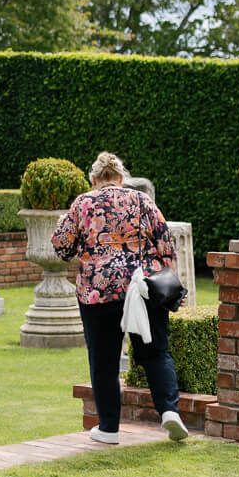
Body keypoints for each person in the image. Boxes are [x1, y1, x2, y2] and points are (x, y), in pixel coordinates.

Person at [52, 151, 188, 445]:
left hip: (98, 291)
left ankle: (109, 428)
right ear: (122, 177)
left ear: (93, 179)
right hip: (142, 287)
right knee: (155, 353)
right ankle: (169, 411)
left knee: (104, 361)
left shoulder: (83, 203)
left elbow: (61, 248)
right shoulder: (142, 200)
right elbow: (166, 245)